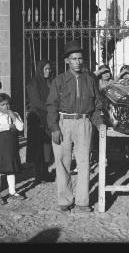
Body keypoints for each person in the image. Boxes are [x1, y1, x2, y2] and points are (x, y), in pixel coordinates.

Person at [46, 40, 103, 212]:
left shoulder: (90, 80)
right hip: (64, 123)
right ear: (67, 61)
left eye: (80, 59)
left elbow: (98, 105)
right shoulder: (59, 81)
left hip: (84, 123)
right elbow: (51, 106)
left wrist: (99, 124)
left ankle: (81, 202)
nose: (77, 62)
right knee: (62, 162)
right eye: (73, 59)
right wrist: (55, 128)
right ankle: (65, 200)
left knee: (84, 162)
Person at [0, 93, 25, 205]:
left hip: (11, 145)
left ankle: (12, 191)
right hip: (0, 146)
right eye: (3, 104)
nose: (6, 107)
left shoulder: (15, 114)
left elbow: (20, 127)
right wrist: (9, 126)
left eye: (8, 104)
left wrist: (13, 117)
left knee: (11, 169)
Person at [26, 60, 55, 183]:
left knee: (47, 147)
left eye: (49, 69)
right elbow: (36, 101)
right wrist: (51, 109)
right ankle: (39, 174)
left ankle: (46, 171)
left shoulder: (51, 82)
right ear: (40, 70)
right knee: (38, 147)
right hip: (37, 118)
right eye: (45, 69)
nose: (48, 71)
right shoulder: (33, 83)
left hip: (48, 117)